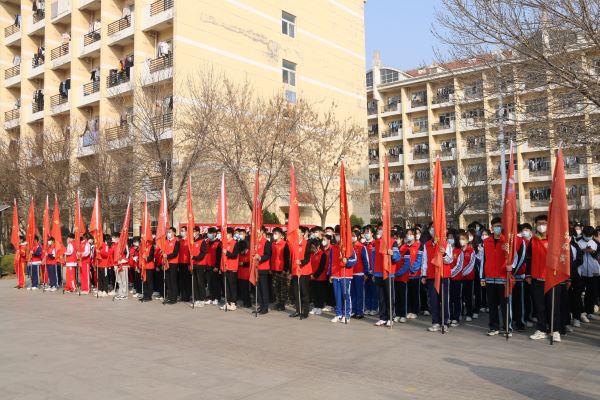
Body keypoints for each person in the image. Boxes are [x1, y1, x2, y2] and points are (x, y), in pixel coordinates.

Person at [525, 215, 561, 342]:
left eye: (544, 223)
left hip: (552, 279)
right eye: (539, 223)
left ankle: (554, 330)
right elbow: (528, 259)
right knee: (539, 306)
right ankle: (541, 329)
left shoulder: (554, 239)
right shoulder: (533, 240)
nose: (542, 226)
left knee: (553, 305)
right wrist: (528, 275)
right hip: (537, 278)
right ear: (535, 225)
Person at [481, 217, 512, 337]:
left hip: (503, 278)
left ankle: (507, 327)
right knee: (492, 305)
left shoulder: (507, 241)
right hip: (489, 278)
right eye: (496, 226)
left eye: (500, 226)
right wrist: (482, 277)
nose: (498, 228)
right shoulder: (486, 242)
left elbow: (512, 258)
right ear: (492, 228)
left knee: (505, 305)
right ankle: (494, 327)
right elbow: (483, 259)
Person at [422, 228, 452, 332]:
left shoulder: (446, 244)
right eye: (432, 228)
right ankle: (435, 322)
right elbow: (424, 261)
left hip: (443, 275)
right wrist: (423, 275)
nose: (434, 230)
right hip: (431, 275)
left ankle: (445, 322)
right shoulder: (427, 245)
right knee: (433, 300)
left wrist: (444, 254)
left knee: (444, 300)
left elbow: (449, 260)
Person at [324, 233, 357, 323]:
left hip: (345, 275)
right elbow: (331, 262)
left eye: (339, 235)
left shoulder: (349, 248)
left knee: (345, 296)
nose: (338, 237)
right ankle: (338, 314)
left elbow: (354, 260)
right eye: (337, 235)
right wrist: (330, 274)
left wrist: (347, 261)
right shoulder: (333, 248)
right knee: (337, 296)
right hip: (335, 275)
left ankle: (346, 315)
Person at [577, 226, 600, 323]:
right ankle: (581, 312)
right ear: (583, 234)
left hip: (593, 271)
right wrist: (583, 251)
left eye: (590, 235)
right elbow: (575, 255)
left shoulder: (595, 243)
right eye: (586, 235)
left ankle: (589, 311)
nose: (588, 237)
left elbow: (598, 255)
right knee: (578, 293)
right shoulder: (578, 242)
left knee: (591, 293)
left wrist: (592, 252)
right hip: (581, 272)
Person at [512, 223, 532, 331]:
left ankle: (521, 321)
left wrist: (513, 272)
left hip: (520, 275)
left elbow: (522, 258)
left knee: (521, 301)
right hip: (510, 276)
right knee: (513, 300)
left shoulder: (523, 241)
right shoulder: (510, 241)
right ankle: (514, 319)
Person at [289, 227, 312, 319]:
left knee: (304, 292)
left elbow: (307, 257)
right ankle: (298, 311)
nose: (297, 234)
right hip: (295, 270)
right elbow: (291, 258)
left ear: (303, 233)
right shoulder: (294, 244)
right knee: (296, 292)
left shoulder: (307, 243)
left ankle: (305, 312)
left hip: (304, 271)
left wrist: (301, 262)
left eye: (298, 232)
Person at [402, 228, 423, 320]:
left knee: (415, 293)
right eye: (408, 234)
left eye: (411, 234)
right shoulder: (404, 246)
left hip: (415, 274)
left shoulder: (419, 246)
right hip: (406, 274)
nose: (409, 236)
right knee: (408, 293)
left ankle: (415, 311)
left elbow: (419, 259)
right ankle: (409, 310)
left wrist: (412, 269)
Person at [351, 228, 369, 319]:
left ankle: (360, 312)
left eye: (354, 236)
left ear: (358, 237)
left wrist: (366, 273)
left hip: (359, 273)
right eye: (351, 236)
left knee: (359, 293)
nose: (352, 237)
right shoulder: (349, 247)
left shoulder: (362, 247)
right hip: (351, 273)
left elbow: (366, 261)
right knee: (352, 293)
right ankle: (353, 311)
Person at [270, 227, 290, 311]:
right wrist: (270, 268)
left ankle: (282, 304)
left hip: (282, 270)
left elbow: (287, 257)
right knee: (275, 287)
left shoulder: (285, 244)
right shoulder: (272, 244)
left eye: (276, 234)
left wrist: (286, 269)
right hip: (274, 269)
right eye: (273, 233)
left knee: (283, 288)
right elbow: (271, 256)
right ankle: (278, 303)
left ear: (281, 235)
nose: (274, 235)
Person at [221, 227, 240, 310]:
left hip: (232, 267)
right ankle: (227, 302)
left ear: (231, 234)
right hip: (225, 267)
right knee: (226, 286)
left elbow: (235, 255)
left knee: (232, 286)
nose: (225, 235)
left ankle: (233, 303)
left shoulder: (235, 243)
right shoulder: (224, 243)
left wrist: (227, 253)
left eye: (227, 234)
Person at [448, 231, 465, 327]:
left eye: (451, 237)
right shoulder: (446, 249)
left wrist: (450, 273)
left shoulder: (459, 251)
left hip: (456, 278)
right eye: (448, 237)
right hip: (447, 278)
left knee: (456, 298)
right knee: (449, 298)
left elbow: (459, 266)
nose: (449, 239)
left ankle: (456, 317)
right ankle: (449, 316)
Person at [254, 226, 271, 314]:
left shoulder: (266, 242)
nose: (257, 232)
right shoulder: (255, 242)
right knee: (258, 289)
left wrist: (260, 257)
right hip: (255, 268)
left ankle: (265, 307)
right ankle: (261, 306)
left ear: (262, 232)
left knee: (264, 288)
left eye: (258, 231)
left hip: (263, 268)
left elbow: (268, 255)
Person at [190, 226, 209, 307]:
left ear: (198, 232)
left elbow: (202, 254)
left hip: (200, 264)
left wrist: (195, 257)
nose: (193, 233)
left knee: (200, 282)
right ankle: (197, 299)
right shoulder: (192, 241)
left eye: (194, 231)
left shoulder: (202, 241)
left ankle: (202, 299)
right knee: (194, 282)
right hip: (193, 264)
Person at [460, 231, 476, 321]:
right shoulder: (458, 250)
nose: (461, 241)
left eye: (463, 239)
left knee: (468, 296)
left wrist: (463, 272)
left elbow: (471, 264)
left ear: (467, 240)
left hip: (468, 277)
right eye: (460, 239)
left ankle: (469, 313)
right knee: (460, 296)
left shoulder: (471, 250)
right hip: (458, 277)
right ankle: (461, 312)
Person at [363, 225, 378, 315]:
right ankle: (368, 307)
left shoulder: (375, 243)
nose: (366, 234)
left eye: (368, 232)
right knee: (367, 290)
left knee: (374, 290)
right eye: (365, 232)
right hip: (365, 271)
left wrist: (374, 271)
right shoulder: (363, 244)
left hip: (373, 271)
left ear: (372, 233)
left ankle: (374, 308)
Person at [309, 240, 327, 315]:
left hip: (320, 277)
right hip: (312, 276)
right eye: (311, 247)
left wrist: (315, 275)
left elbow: (321, 267)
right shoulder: (311, 254)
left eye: (314, 247)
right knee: (314, 292)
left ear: (318, 246)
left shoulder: (323, 254)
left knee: (320, 293)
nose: (312, 249)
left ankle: (320, 307)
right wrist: (310, 274)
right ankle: (315, 306)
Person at [164, 227, 180, 304]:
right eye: (167, 232)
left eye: (170, 232)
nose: (168, 233)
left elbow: (175, 253)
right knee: (168, 281)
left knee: (173, 281)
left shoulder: (176, 241)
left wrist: (167, 256)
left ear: (174, 233)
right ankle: (169, 297)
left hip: (173, 263)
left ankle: (174, 298)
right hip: (166, 263)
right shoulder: (166, 241)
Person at [236, 229, 252, 308]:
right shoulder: (240, 252)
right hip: (240, 273)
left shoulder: (249, 252)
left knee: (246, 289)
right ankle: (244, 302)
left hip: (246, 274)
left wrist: (243, 263)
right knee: (242, 289)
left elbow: (250, 263)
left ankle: (248, 303)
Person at [206, 227, 222, 305]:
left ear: (214, 234)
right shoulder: (207, 242)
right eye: (208, 233)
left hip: (215, 266)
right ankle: (211, 298)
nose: (209, 234)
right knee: (210, 283)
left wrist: (217, 266)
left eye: (210, 233)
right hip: (208, 265)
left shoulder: (218, 243)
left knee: (216, 283)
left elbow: (219, 256)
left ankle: (217, 298)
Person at [113, 233, 130, 300]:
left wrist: (122, 261)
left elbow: (128, 254)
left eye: (114, 237)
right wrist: (114, 265)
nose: (113, 239)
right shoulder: (114, 245)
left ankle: (125, 294)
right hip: (116, 265)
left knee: (124, 280)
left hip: (123, 265)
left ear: (117, 237)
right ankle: (120, 293)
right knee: (119, 280)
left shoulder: (124, 244)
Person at [178, 226, 192, 303]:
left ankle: (187, 296)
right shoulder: (180, 241)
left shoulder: (189, 241)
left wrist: (190, 263)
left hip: (187, 262)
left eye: (183, 231)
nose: (182, 232)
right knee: (181, 280)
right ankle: (182, 296)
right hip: (180, 262)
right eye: (181, 231)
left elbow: (191, 253)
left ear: (186, 231)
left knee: (187, 280)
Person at [140, 236, 155, 302]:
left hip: (149, 266)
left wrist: (146, 258)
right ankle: (145, 295)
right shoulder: (142, 247)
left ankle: (149, 296)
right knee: (144, 281)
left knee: (149, 281)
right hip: (143, 266)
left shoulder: (151, 247)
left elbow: (151, 256)